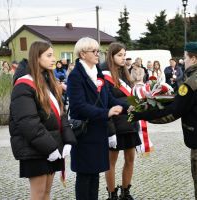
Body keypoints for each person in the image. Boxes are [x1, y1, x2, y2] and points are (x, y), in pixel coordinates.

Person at [131, 42, 197, 200]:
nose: (183, 61)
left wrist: (141, 115)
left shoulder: (192, 83)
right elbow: (181, 101)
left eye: (185, 57)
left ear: (195, 59)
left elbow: (173, 112)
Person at [9, 41, 72, 200]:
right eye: (49, 55)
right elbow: (28, 122)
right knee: (38, 195)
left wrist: (68, 140)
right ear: (36, 57)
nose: (54, 59)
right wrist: (50, 147)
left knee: (46, 193)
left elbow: (61, 114)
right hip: (35, 149)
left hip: (50, 146)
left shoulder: (48, 81)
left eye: (53, 55)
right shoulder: (23, 85)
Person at [67, 37, 127, 200]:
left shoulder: (98, 73)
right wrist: (105, 113)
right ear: (82, 54)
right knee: (85, 177)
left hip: (99, 132)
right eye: (94, 51)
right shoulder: (75, 76)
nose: (97, 54)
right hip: (85, 133)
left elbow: (109, 99)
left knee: (94, 176)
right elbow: (78, 106)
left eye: (98, 51)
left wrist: (129, 107)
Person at [100, 42, 141, 200]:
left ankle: (126, 192)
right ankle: (112, 194)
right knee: (111, 161)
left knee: (130, 159)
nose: (123, 58)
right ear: (111, 56)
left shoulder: (125, 73)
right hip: (114, 124)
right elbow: (106, 103)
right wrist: (109, 129)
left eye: (124, 55)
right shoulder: (103, 74)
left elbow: (130, 97)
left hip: (129, 122)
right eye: (119, 55)